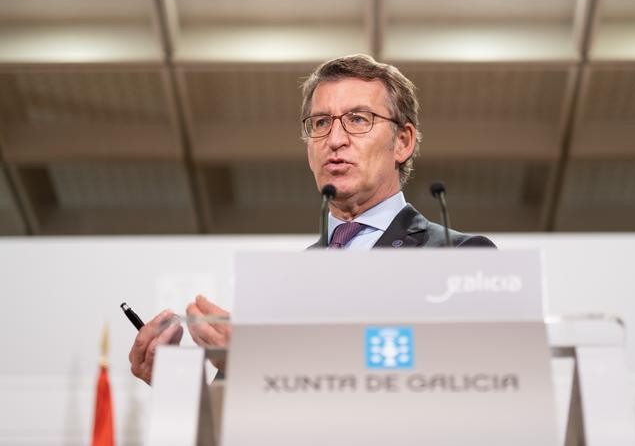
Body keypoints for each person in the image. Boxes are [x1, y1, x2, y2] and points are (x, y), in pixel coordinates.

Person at [129, 54, 494, 384]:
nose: (335, 139)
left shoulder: (458, 257)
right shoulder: (279, 287)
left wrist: (261, 360)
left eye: (357, 119)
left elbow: (474, 389)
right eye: (320, 122)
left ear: (403, 141)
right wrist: (175, 384)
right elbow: (241, 429)